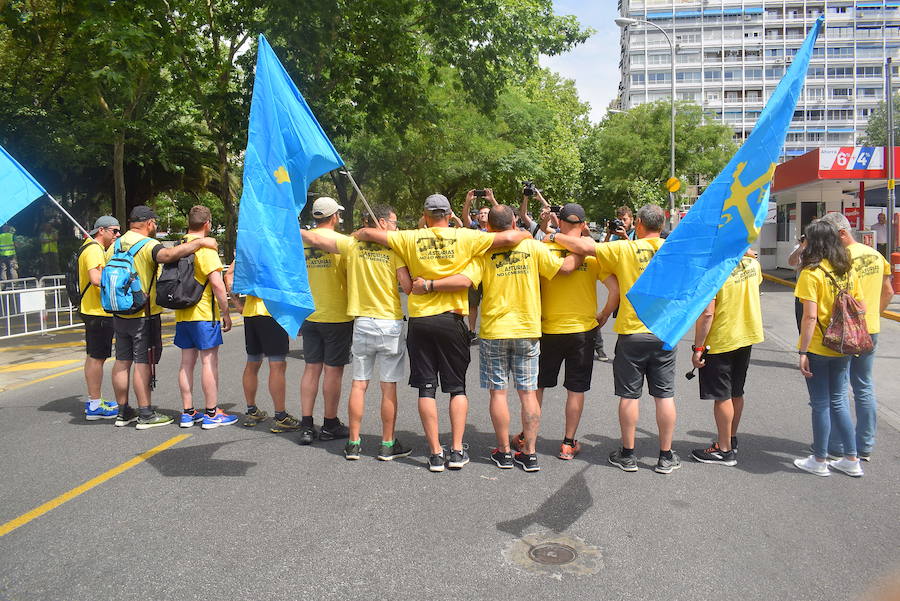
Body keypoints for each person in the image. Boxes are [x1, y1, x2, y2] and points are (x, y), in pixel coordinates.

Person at [354, 194, 530, 472]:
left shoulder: (409, 237)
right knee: (456, 388)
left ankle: (436, 453)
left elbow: (372, 234)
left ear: (425, 216)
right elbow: (509, 239)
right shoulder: (466, 237)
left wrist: (362, 230)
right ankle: (457, 450)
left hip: (421, 321)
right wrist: (526, 230)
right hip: (451, 320)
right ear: (449, 215)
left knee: (427, 388)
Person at [412, 205, 579, 472]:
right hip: (527, 328)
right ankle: (530, 453)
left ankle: (503, 453)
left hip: (494, 330)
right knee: (527, 392)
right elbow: (564, 269)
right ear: (514, 222)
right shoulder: (534, 248)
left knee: (498, 393)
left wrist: (429, 284)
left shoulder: (484, 253)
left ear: (487, 226)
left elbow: (465, 281)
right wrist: (580, 248)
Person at [550, 204, 681, 474]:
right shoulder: (673, 250)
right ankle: (666, 456)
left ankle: (628, 454)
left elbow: (586, 248)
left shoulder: (624, 249)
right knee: (664, 396)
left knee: (630, 396)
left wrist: (553, 236)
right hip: (665, 332)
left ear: (640, 225)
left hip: (632, 332)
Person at [302, 204, 413, 461]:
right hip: (389, 322)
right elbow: (407, 287)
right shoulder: (394, 248)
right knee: (388, 387)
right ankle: (387, 444)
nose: (396, 228)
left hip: (362, 322)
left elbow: (315, 237)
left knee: (359, 384)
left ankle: (353, 443)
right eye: (394, 223)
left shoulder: (351, 246)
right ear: (383, 223)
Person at [110, 205, 217, 430]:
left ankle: (123, 411)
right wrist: (199, 242)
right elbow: (167, 255)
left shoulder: (116, 244)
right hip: (143, 313)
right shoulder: (147, 244)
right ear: (149, 223)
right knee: (142, 362)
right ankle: (146, 413)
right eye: (155, 223)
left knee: (121, 361)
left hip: (119, 312)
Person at [532, 203, 618, 460]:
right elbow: (615, 290)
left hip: (548, 327)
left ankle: (528, 438)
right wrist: (603, 315)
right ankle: (568, 443)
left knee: (538, 386)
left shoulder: (543, 248)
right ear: (583, 224)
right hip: (583, 330)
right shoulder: (593, 255)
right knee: (576, 389)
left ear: (559, 222)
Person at [793, 219, 865, 477]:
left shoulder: (811, 274)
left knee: (821, 404)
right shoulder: (848, 269)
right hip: (845, 345)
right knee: (840, 401)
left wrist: (802, 352)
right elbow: (860, 306)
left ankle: (820, 460)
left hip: (819, 347)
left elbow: (809, 317)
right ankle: (851, 458)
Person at [820, 212, 893, 461]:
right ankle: (865, 445)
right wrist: (872, 315)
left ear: (842, 233)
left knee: (838, 390)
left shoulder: (840, 259)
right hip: (870, 329)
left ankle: (838, 445)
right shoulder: (876, 255)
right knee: (864, 386)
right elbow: (889, 290)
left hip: (845, 334)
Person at [689, 255, 764, 466]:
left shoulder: (713, 268)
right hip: (746, 334)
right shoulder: (753, 264)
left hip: (722, 338)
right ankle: (730, 438)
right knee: (736, 391)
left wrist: (698, 348)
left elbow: (707, 314)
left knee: (722, 395)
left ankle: (723, 450)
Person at [174, 206, 236, 429]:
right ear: (208, 223)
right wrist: (226, 312)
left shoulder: (180, 246)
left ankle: (187, 412)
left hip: (182, 313)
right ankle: (211, 413)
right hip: (203, 314)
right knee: (209, 362)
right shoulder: (206, 249)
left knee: (186, 363)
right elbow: (217, 284)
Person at [299, 197, 352, 444]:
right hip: (336, 313)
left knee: (311, 369)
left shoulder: (299, 241)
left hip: (309, 313)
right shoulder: (344, 241)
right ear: (334, 217)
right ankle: (330, 423)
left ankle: (307, 425)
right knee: (333, 371)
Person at [224, 262, 300, 433]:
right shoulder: (274, 247)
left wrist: (236, 303)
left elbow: (228, 275)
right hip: (273, 312)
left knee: (253, 362)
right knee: (277, 364)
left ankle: (252, 412)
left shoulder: (249, 248)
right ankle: (281, 417)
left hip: (251, 312)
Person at [78, 216, 121, 420]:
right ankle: (95, 405)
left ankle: (94, 400)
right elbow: (96, 278)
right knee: (97, 358)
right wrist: (118, 280)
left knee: (93, 356)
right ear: (101, 230)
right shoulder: (94, 249)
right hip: (98, 312)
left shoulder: (88, 246)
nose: (117, 235)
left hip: (92, 310)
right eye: (114, 231)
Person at [787, 235, 807, 332]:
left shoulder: (825, 248)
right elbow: (791, 262)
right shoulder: (801, 248)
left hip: (820, 292)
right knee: (802, 326)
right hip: (802, 293)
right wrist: (801, 247)